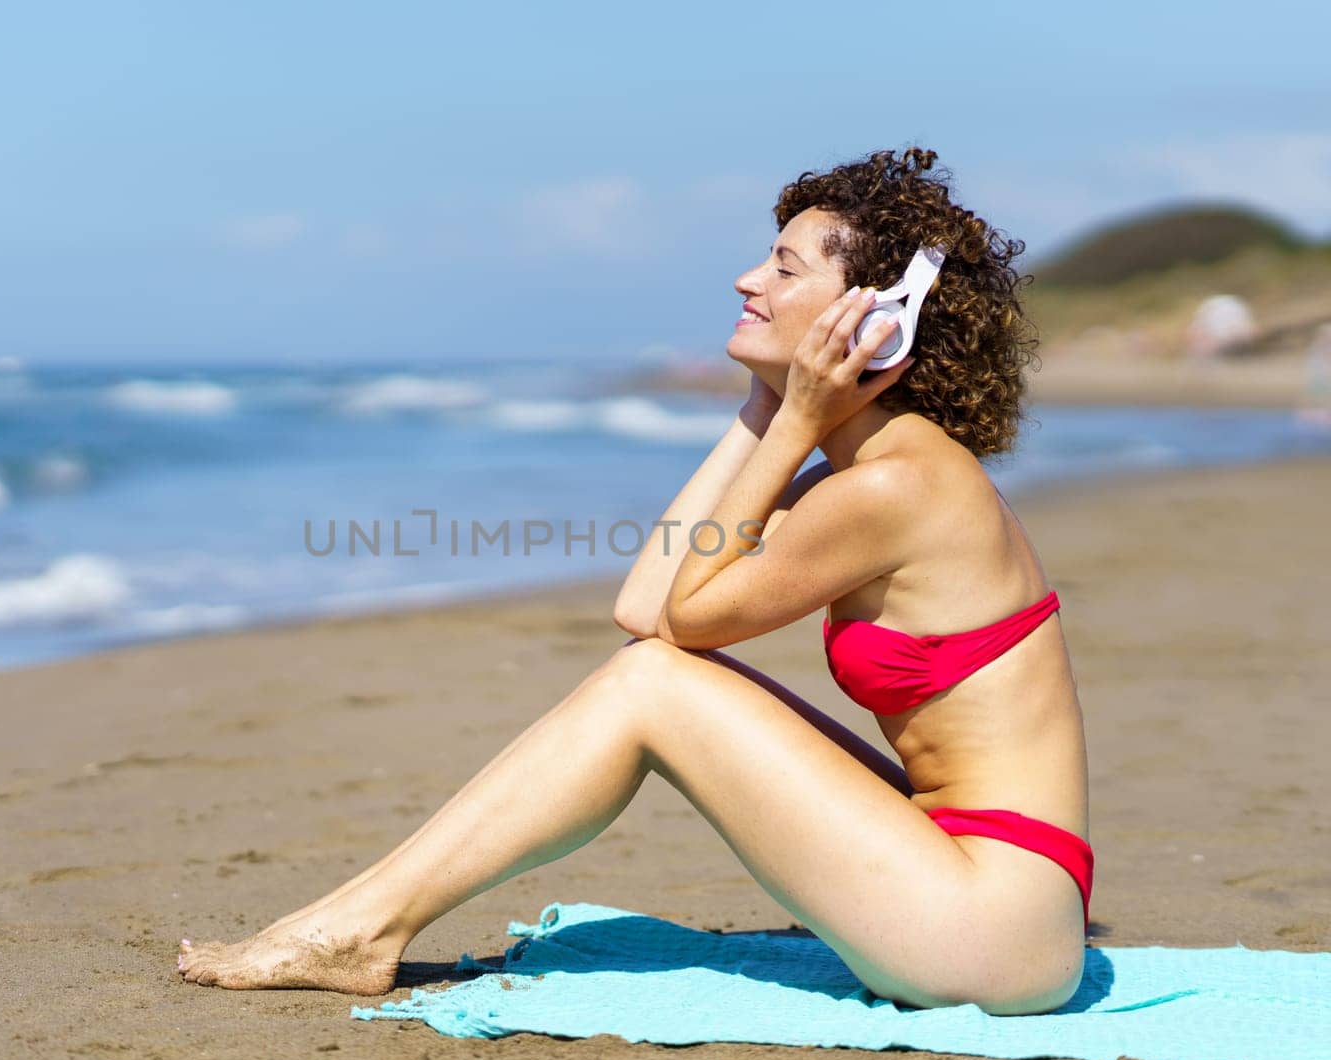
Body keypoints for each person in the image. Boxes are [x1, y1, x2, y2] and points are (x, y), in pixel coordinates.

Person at [177, 147, 1091, 1015]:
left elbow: (683, 624)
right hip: (983, 885)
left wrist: (796, 418)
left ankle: (356, 929)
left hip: (994, 926)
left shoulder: (896, 486)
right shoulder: (869, 472)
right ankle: (356, 922)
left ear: (874, 319)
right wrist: (765, 409)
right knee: (652, 670)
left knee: (655, 682)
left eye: (782, 269)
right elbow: (647, 606)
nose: (747, 282)